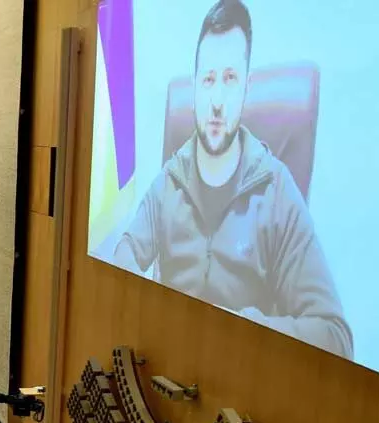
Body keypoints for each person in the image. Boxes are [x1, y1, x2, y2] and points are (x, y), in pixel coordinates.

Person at [112, 0, 352, 359]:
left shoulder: (277, 192)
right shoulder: (171, 178)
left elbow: (335, 337)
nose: (218, 101)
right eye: (208, 80)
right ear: (194, 88)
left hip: (241, 376)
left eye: (230, 79)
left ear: (246, 88)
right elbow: (125, 254)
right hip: (168, 366)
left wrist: (244, 326)